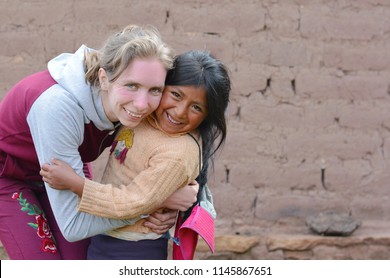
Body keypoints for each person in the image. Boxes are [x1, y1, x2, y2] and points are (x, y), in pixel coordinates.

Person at [0, 24, 199, 260]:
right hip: (10, 176)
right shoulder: (56, 107)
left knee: (81, 261)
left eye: (155, 89)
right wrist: (154, 203)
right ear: (104, 78)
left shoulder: (134, 107)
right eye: (131, 86)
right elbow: (74, 227)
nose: (142, 104)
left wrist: (179, 191)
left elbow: (178, 154)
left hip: (67, 163)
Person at [40, 50, 231, 259]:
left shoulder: (177, 153)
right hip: (106, 235)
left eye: (196, 107)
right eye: (176, 94)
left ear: (207, 116)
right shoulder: (144, 112)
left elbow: (133, 202)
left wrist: (76, 184)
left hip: (133, 248)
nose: (179, 112)